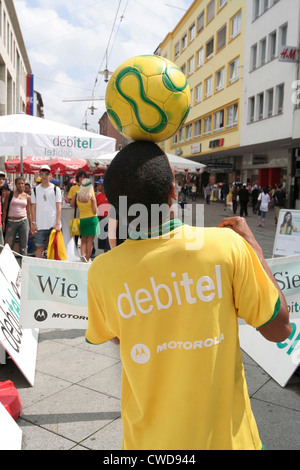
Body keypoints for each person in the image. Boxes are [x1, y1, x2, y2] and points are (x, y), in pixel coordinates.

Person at [85, 141, 291, 451]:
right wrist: (256, 252)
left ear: (114, 205)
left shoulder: (102, 271)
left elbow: (118, 336)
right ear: (172, 190)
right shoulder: (227, 246)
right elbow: (279, 329)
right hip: (230, 442)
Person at [31, 165, 62, 258]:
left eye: (46, 173)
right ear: (39, 175)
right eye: (42, 174)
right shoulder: (35, 190)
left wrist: (57, 223)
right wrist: (33, 223)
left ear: (50, 175)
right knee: (39, 247)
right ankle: (38, 269)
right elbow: (33, 207)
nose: (44, 176)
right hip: (40, 224)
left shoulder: (56, 189)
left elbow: (58, 207)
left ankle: (51, 269)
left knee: (53, 248)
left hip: (53, 224)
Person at [2, 177, 32, 256]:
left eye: (22, 183)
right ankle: (6, 264)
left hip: (23, 222)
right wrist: (3, 223)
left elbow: (28, 212)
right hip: (11, 222)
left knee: (24, 246)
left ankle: (23, 265)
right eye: (18, 183)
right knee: (8, 245)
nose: (20, 185)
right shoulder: (10, 194)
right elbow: (4, 209)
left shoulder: (27, 197)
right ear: (15, 184)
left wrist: (31, 226)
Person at [70, 178, 99, 262]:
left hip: (82, 219)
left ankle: (82, 255)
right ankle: (87, 258)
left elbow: (72, 204)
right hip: (92, 219)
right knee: (90, 241)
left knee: (83, 240)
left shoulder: (77, 195)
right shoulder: (91, 197)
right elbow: (95, 211)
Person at [95, 181, 110, 253]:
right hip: (100, 218)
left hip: (108, 218)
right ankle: (105, 252)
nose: (97, 187)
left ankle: (108, 251)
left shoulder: (109, 195)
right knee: (102, 236)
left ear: (103, 186)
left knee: (108, 236)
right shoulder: (97, 196)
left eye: (99, 185)